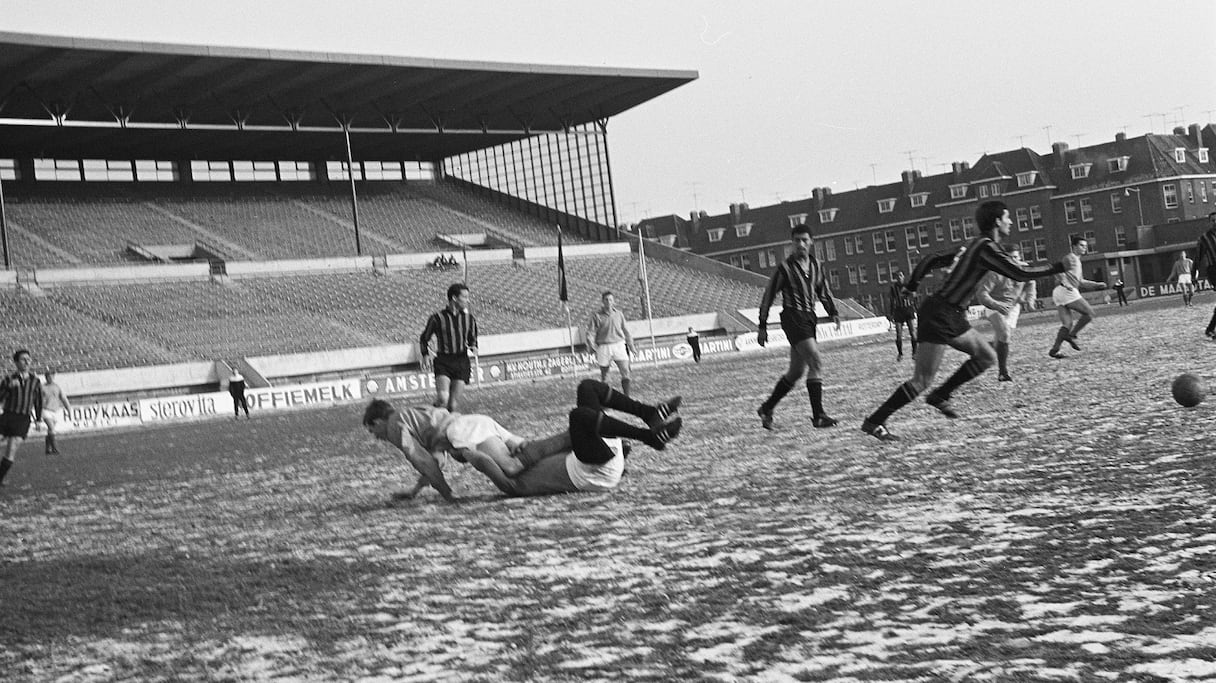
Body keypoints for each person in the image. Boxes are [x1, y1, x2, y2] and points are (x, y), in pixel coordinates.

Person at [861, 201, 1065, 442]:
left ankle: (941, 395)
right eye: (1008, 217)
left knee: (987, 356)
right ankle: (875, 420)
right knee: (922, 380)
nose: (1011, 222)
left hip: (949, 313)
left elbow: (930, 258)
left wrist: (912, 286)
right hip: (941, 314)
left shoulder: (971, 246)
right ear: (997, 221)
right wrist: (1057, 267)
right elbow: (1019, 273)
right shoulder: (986, 248)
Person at [364, 379, 682, 501]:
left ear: (379, 420)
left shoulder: (394, 426)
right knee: (586, 390)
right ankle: (648, 418)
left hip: (463, 431)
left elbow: (421, 458)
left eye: (372, 430)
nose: (377, 437)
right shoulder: (412, 413)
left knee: (514, 467)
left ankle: (647, 429)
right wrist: (417, 489)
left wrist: (446, 493)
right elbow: (434, 458)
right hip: (477, 423)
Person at [756, 224, 842, 430]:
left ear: (811, 242)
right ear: (791, 243)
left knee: (795, 372)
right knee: (816, 362)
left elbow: (823, 291)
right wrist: (762, 325)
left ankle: (767, 408)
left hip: (809, 317)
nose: (800, 244)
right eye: (797, 241)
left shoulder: (816, 265)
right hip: (793, 317)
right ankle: (818, 416)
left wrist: (833, 311)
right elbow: (768, 296)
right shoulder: (784, 268)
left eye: (804, 240)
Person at [975, 244, 1037, 382]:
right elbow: (982, 294)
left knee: (1001, 340)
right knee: (1004, 333)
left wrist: (1029, 299)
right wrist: (996, 304)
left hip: (1013, 308)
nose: (1013, 261)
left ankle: (981, 349)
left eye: (1016, 257)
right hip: (994, 306)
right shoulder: (995, 273)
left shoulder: (1023, 269)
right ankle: (1003, 372)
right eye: (1010, 258)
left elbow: (1031, 283)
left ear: (1019, 257)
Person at [419, 283, 479, 411]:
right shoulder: (437, 318)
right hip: (444, 361)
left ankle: (447, 428)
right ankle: (430, 413)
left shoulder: (469, 318)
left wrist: (474, 346)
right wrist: (425, 355)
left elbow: (473, 337)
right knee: (443, 399)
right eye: (465, 297)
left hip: (462, 361)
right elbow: (424, 338)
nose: (468, 300)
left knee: (452, 405)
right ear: (454, 298)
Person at [1047, 236, 1106, 359]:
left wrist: (1096, 284)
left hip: (1058, 292)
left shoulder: (1077, 261)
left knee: (1067, 323)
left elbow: (1080, 281)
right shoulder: (1070, 258)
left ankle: (1055, 350)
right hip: (1066, 291)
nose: (1085, 248)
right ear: (1074, 246)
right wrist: (1065, 282)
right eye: (1081, 245)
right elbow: (1055, 269)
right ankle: (1072, 335)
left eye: (1085, 245)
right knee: (1089, 314)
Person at [0, 349, 43, 486]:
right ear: (16, 362)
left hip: (23, 419)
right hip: (7, 416)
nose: (27, 362)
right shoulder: (8, 380)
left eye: (28, 359)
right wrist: (7, 388)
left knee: (11, 449)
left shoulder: (35, 381)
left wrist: (38, 419)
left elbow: (38, 401)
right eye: (23, 359)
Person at [585, 291, 636, 395]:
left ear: (614, 302)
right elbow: (590, 332)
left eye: (610, 300)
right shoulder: (597, 316)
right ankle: (607, 400)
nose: (608, 302)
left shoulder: (619, 314)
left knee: (625, 371)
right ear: (602, 302)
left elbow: (626, 331)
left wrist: (631, 345)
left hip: (619, 345)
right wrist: (591, 345)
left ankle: (627, 398)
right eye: (606, 300)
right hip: (604, 347)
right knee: (605, 375)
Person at [887, 270, 918, 361]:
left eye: (900, 275)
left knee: (913, 332)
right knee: (899, 334)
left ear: (903, 276)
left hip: (908, 309)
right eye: (897, 276)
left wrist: (917, 309)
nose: (899, 277)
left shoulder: (909, 286)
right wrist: (891, 314)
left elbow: (915, 298)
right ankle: (900, 354)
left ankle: (914, 353)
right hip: (899, 311)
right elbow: (892, 301)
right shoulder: (893, 288)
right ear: (895, 278)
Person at [1195, 211, 1216, 339]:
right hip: (1214, 270)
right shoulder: (1204, 238)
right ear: (1209, 222)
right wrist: (1193, 275)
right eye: (1213, 220)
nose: (1215, 222)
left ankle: (1210, 329)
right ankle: (1211, 330)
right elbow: (1198, 257)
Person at [40, 369, 71, 454]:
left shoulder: (57, 387)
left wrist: (68, 409)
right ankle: (55, 448)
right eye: (48, 376)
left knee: (50, 430)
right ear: (45, 377)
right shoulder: (42, 387)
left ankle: (48, 448)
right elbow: (36, 399)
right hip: (45, 410)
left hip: (55, 410)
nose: (50, 378)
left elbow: (63, 398)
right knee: (51, 428)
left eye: (51, 376)